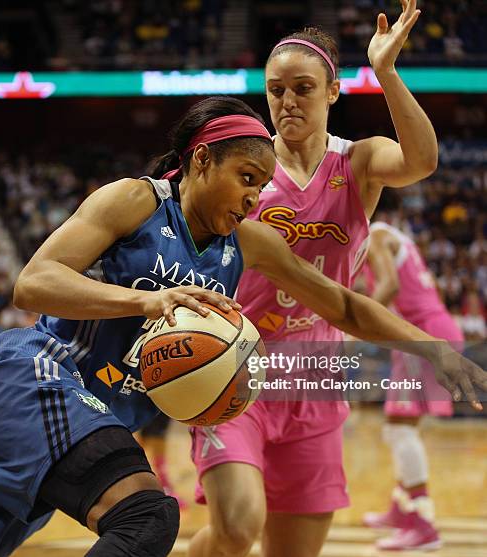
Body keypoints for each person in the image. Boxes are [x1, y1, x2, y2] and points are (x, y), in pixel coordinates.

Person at [0, 97, 484, 557]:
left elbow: (342, 304)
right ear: (201, 159)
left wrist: (431, 348)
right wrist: (145, 302)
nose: (255, 197)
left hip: (97, 417)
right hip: (38, 378)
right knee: (148, 517)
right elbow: (33, 284)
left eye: (262, 184)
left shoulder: (246, 241)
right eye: (246, 178)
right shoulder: (135, 200)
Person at [189, 2, 449, 557]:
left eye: (303, 88)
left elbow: (422, 160)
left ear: (332, 92)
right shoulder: (246, 168)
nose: (287, 101)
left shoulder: (357, 162)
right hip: (234, 371)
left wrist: (387, 74)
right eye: (276, 89)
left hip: (315, 377)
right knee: (236, 530)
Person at [361, 219, 464, 551]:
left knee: (401, 430)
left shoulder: (375, 235)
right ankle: (401, 509)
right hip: (426, 331)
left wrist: (356, 326)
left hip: (421, 336)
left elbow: (388, 286)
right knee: (399, 429)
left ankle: (423, 525)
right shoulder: (394, 236)